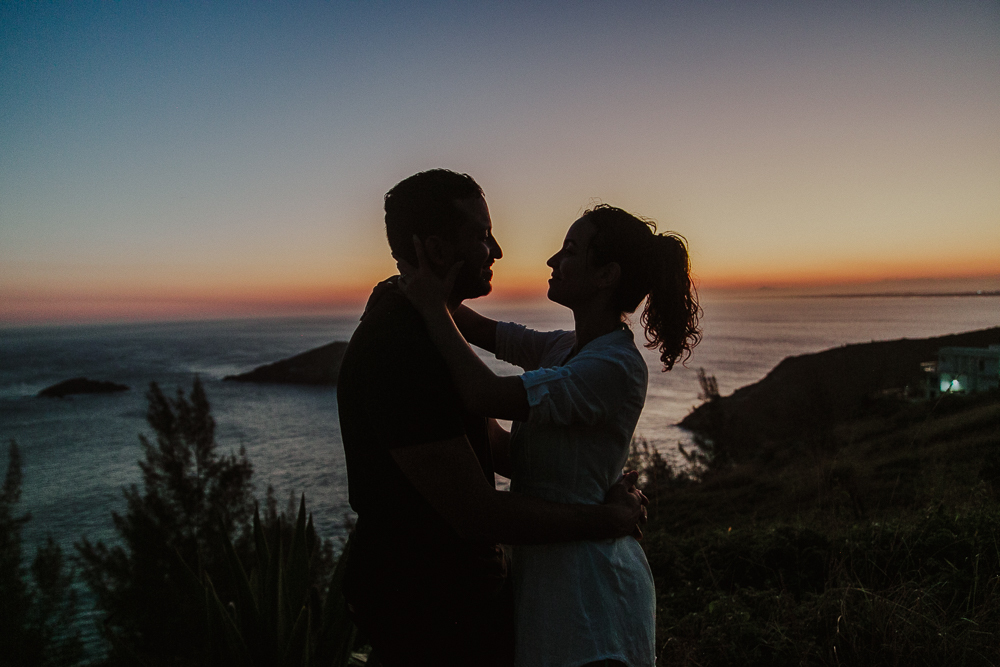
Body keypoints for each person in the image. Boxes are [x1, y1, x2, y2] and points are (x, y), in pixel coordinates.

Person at [337, 171, 649, 667]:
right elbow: (477, 510)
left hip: (490, 595)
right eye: (482, 236)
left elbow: (488, 426)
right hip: (428, 612)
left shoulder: (603, 362)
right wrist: (604, 516)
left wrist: (421, 297)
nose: (499, 249)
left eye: (569, 250)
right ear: (438, 250)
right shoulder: (403, 350)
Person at [397, 203, 701, 667]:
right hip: (549, 579)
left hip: (593, 590)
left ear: (605, 276)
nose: (552, 261)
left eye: (570, 250)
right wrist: (422, 277)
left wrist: (428, 304)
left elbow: (483, 393)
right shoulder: (564, 348)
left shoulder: (612, 368)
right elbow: (476, 330)